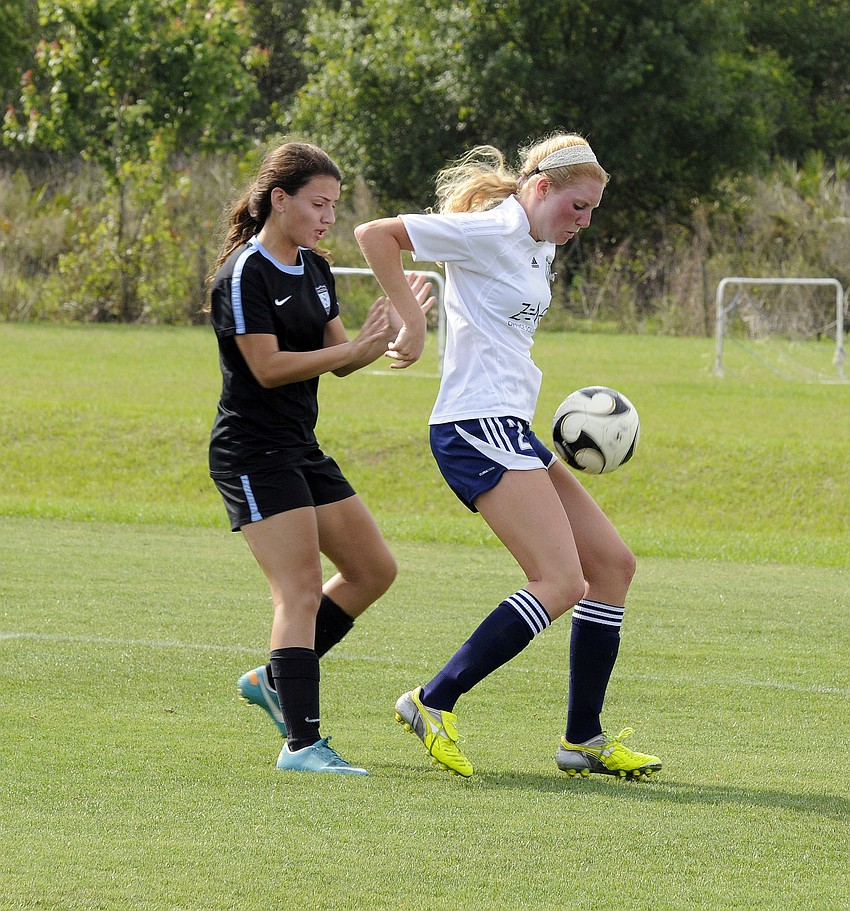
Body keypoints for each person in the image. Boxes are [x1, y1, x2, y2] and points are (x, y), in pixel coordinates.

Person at [354, 133, 662, 779]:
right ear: (542, 187)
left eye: (592, 212)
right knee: (560, 581)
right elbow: (374, 234)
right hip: (473, 423)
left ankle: (583, 738)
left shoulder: (539, 241)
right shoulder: (492, 229)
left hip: (510, 424)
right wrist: (412, 320)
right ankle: (431, 700)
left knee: (610, 564)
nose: (584, 222)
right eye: (578, 206)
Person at [207, 140, 433, 775]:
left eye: (334, 205)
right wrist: (350, 349)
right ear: (279, 201)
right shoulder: (245, 272)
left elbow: (343, 358)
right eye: (317, 203)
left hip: (300, 449)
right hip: (252, 454)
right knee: (300, 589)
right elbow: (268, 367)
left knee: (373, 569)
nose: (328, 215)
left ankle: (274, 680)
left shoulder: (315, 268)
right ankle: (302, 745)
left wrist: (393, 332)